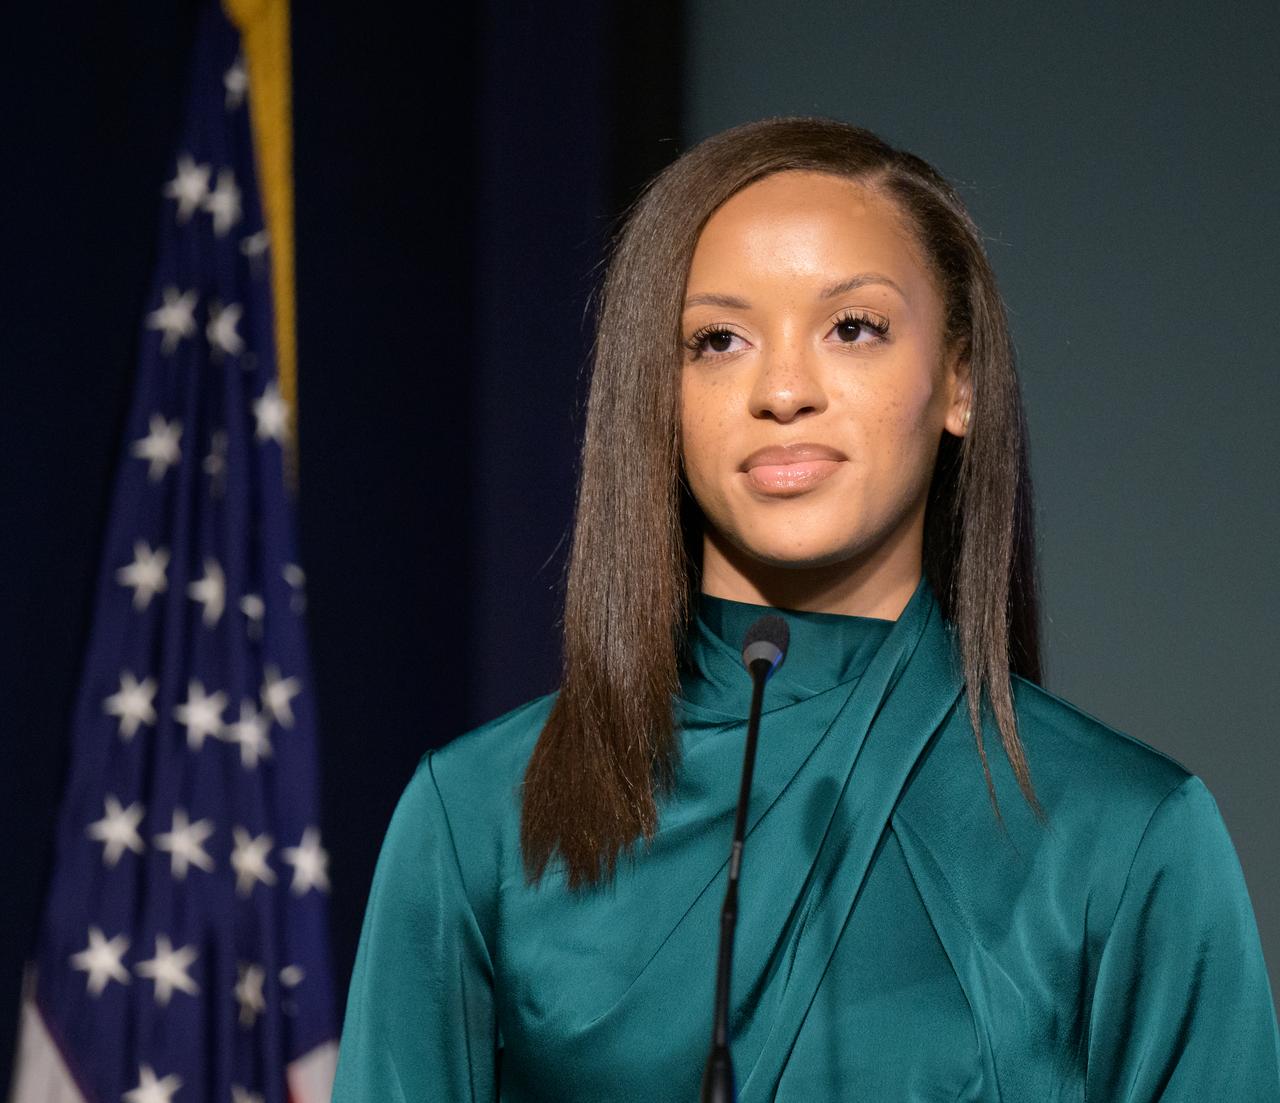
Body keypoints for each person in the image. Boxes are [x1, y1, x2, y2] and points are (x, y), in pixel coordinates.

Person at [330, 117, 1280, 1101]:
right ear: (658, 394)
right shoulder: (478, 815)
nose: (782, 390)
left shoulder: (1126, 833)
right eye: (718, 340)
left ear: (958, 380)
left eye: (853, 327)